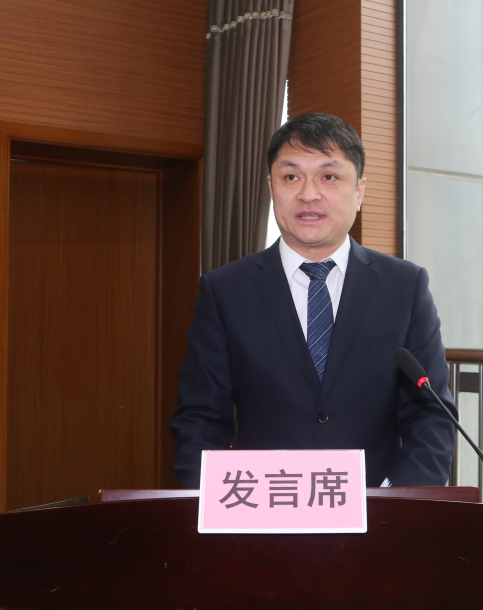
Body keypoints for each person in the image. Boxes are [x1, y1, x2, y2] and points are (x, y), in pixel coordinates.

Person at [169, 113, 455, 488]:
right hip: (264, 508)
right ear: (271, 186)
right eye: (291, 177)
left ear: (360, 190)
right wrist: (220, 505)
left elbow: (431, 417)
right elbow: (199, 420)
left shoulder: (404, 286)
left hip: (377, 513)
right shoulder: (225, 291)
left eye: (329, 177)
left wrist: (397, 506)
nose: (308, 194)